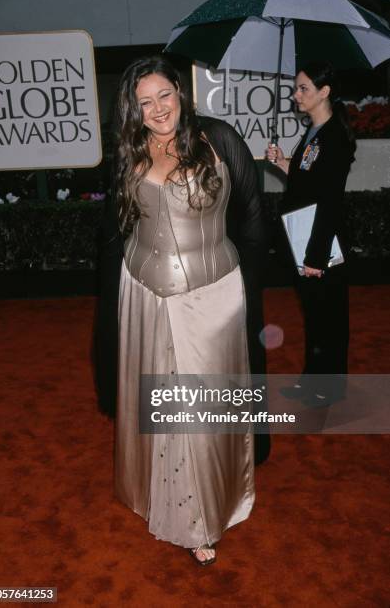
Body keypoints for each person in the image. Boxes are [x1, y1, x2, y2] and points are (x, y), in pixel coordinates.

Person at [94, 55, 268, 566]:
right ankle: (154, 492)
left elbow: (254, 217)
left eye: (163, 95)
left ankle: (201, 516)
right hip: (142, 289)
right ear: (133, 109)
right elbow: (116, 229)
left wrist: (248, 295)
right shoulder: (128, 150)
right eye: (144, 102)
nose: (157, 109)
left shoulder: (219, 140)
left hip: (211, 293)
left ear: (181, 92)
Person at [266, 61, 356, 406]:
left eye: (303, 88)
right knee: (315, 315)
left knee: (329, 316)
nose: (295, 94)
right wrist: (284, 163)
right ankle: (311, 380)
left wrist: (316, 255)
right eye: (296, 87)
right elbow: (308, 183)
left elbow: (329, 199)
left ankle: (330, 388)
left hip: (320, 242)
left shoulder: (335, 136)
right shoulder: (313, 132)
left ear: (324, 92)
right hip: (302, 235)